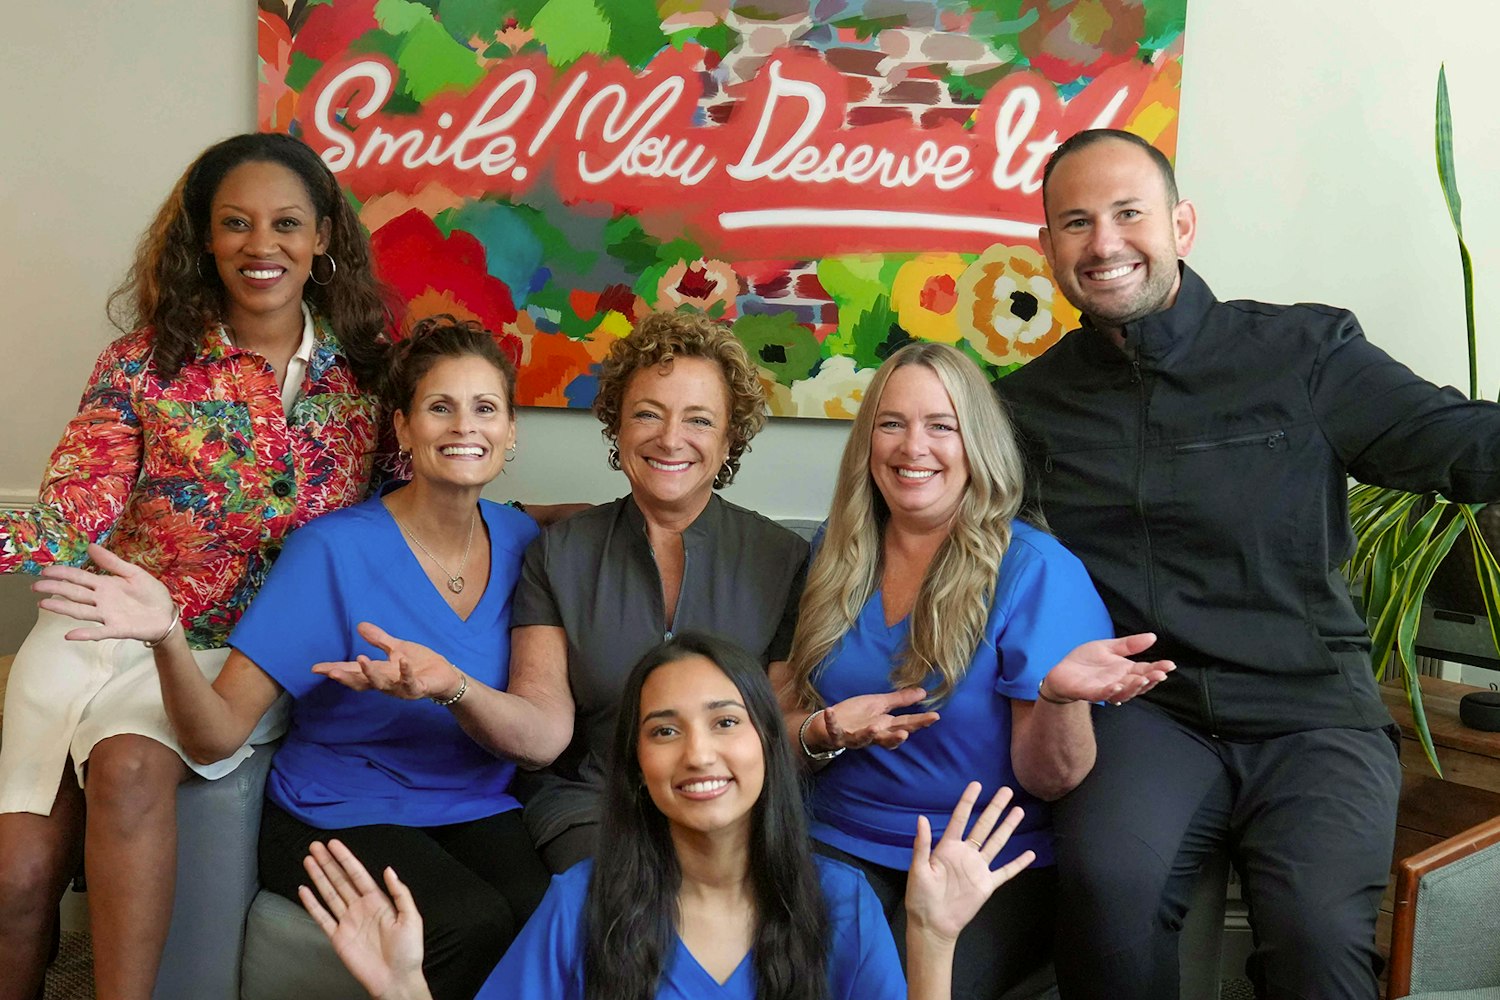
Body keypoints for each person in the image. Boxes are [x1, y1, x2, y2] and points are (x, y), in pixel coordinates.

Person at [995, 127, 1500, 1000]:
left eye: (1128, 214)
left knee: (1317, 935)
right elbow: (944, 536)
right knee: (1105, 896)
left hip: (1311, 710)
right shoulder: (1027, 405)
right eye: (1076, 223)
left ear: (1181, 226)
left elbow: (1454, 443)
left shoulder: (1304, 354)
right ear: (1048, 249)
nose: (1104, 243)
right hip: (1153, 713)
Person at [36, 318, 554, 1000]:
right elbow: (216, 731)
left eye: (485, 408)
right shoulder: (332, 550)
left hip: (469, 803)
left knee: (554, 923)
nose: (465, 426)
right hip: (333, 809)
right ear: (402, 429)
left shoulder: (522, 540)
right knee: (467, 923)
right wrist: (165, 633)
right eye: (439, 406)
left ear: (511, 432)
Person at [0, 132, 391, 1000]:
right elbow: (79, 501)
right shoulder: (142, 362)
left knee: (132, 766)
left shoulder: (370, 376)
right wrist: (31, 542)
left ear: (323, 236)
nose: (263, 245)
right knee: (19, 878)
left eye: (286, 224)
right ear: (204, 238)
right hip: (92, 626)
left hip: (228, 653)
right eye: (236, 224)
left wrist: (538, 526)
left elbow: (420, 505)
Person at [317, 310, 809, 874]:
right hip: (594, 809)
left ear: (730, 437)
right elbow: (544, 732)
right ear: (617, 428)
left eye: (698, 420)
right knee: (617, 916)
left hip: (729, 807)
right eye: (647, 414)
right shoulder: (558, 552)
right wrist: (454, 685)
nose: (670, 439)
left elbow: (779, 734)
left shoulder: (784, 559)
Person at [301, 631, 1039, 1000]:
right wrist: (403, 991)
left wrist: (931, 937)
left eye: (725, 722)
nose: (697, 754)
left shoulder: (839, 903)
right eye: (663, 730)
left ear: (766, 747)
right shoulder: (580, 905)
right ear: (636, 770)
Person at [774, 341, 1173, 998]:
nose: (912, 447)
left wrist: (1058, 699)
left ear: (977, 443)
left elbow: (1051, 780)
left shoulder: (1036, 572)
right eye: (892, 423)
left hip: (979, 859)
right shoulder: (832, 554)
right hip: (834, 838)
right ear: (868, 440)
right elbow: (772, 730)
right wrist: (823, 730)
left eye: (941, 425)